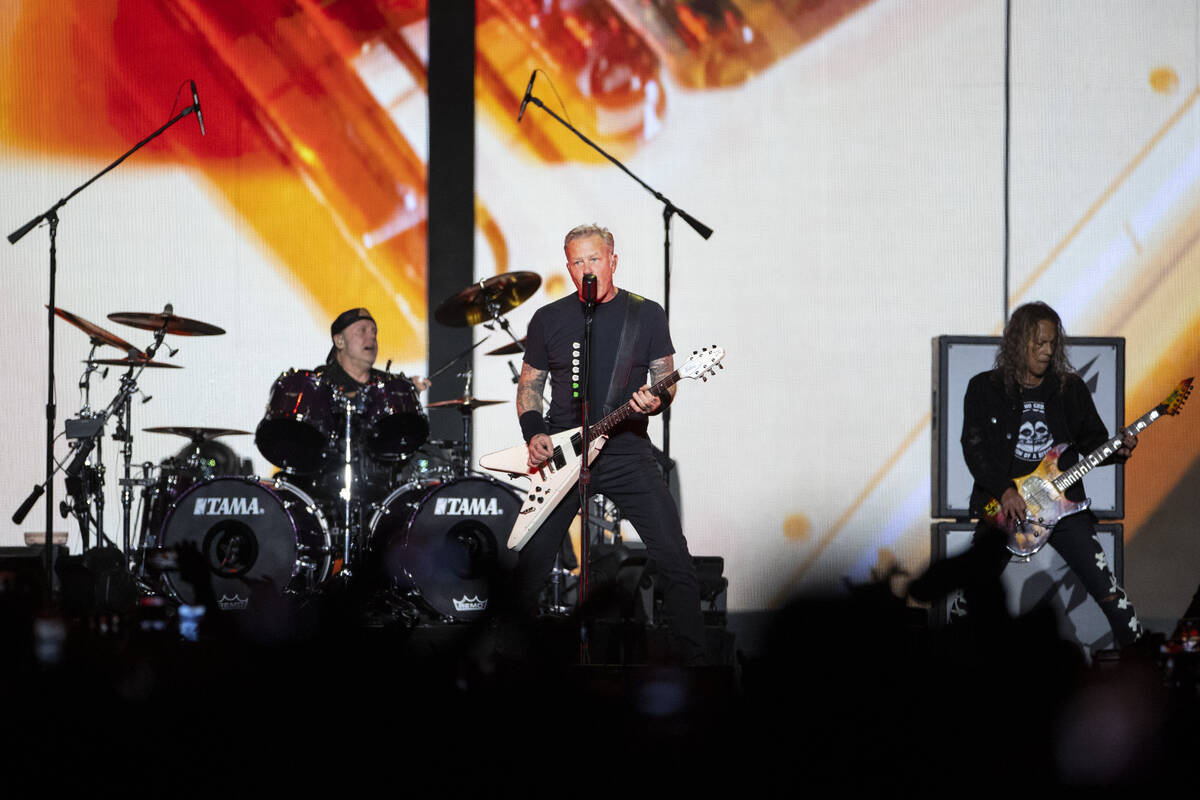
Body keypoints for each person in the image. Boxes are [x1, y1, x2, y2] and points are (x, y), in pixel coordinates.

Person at [513, 224, 707, 665]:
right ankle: (508, 667)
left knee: (674, 559)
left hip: (627, 452)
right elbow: (529, 387)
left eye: (594, 259)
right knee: (530, 568)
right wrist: (534, 432)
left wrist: (655, 400)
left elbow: (666, 382)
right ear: (567, 267)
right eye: (577, 262)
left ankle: (697, 670)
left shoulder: (646, 314)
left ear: (613, 260)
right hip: (563, 456)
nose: (586, 269)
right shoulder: (549, 319)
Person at [919, 301, 1144, 647]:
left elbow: (1094, 443)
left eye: (1052, 343)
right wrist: (1003, 490)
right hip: (1005, 506)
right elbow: (973, 447)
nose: (1047, 351)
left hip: (1064, 508)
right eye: (1038, 343)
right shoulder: (984, 389)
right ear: (1017, 342)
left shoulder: (1070, 389)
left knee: (1109, 592)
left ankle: (1144, 665)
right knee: (969, 602)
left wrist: (1119, 451)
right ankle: (950, 669)